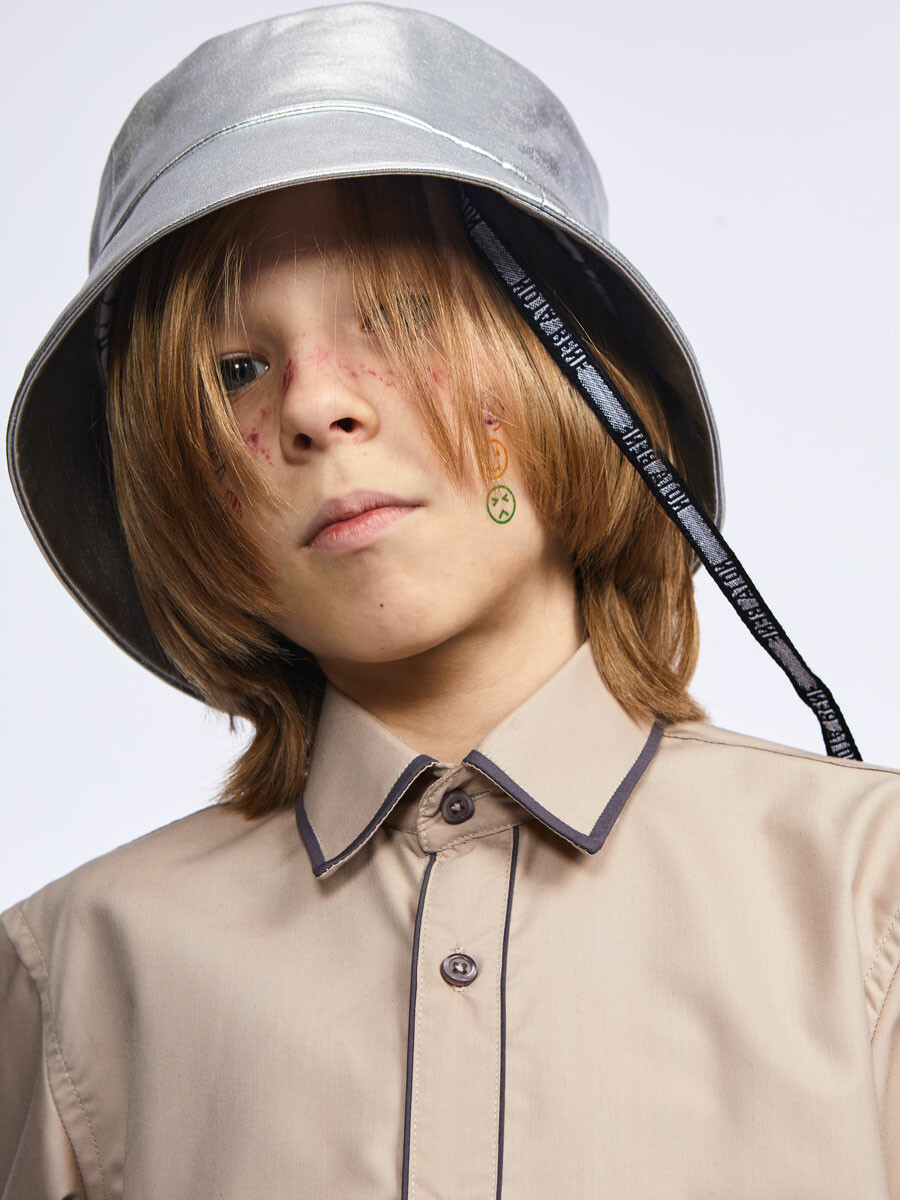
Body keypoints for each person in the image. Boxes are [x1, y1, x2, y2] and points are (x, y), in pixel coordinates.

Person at [2, 6, 897, 1197]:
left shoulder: (871, 894)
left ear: (574, 376)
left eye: (399, 313)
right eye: (235, 371)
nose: (315, 405)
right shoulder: (72, 974)